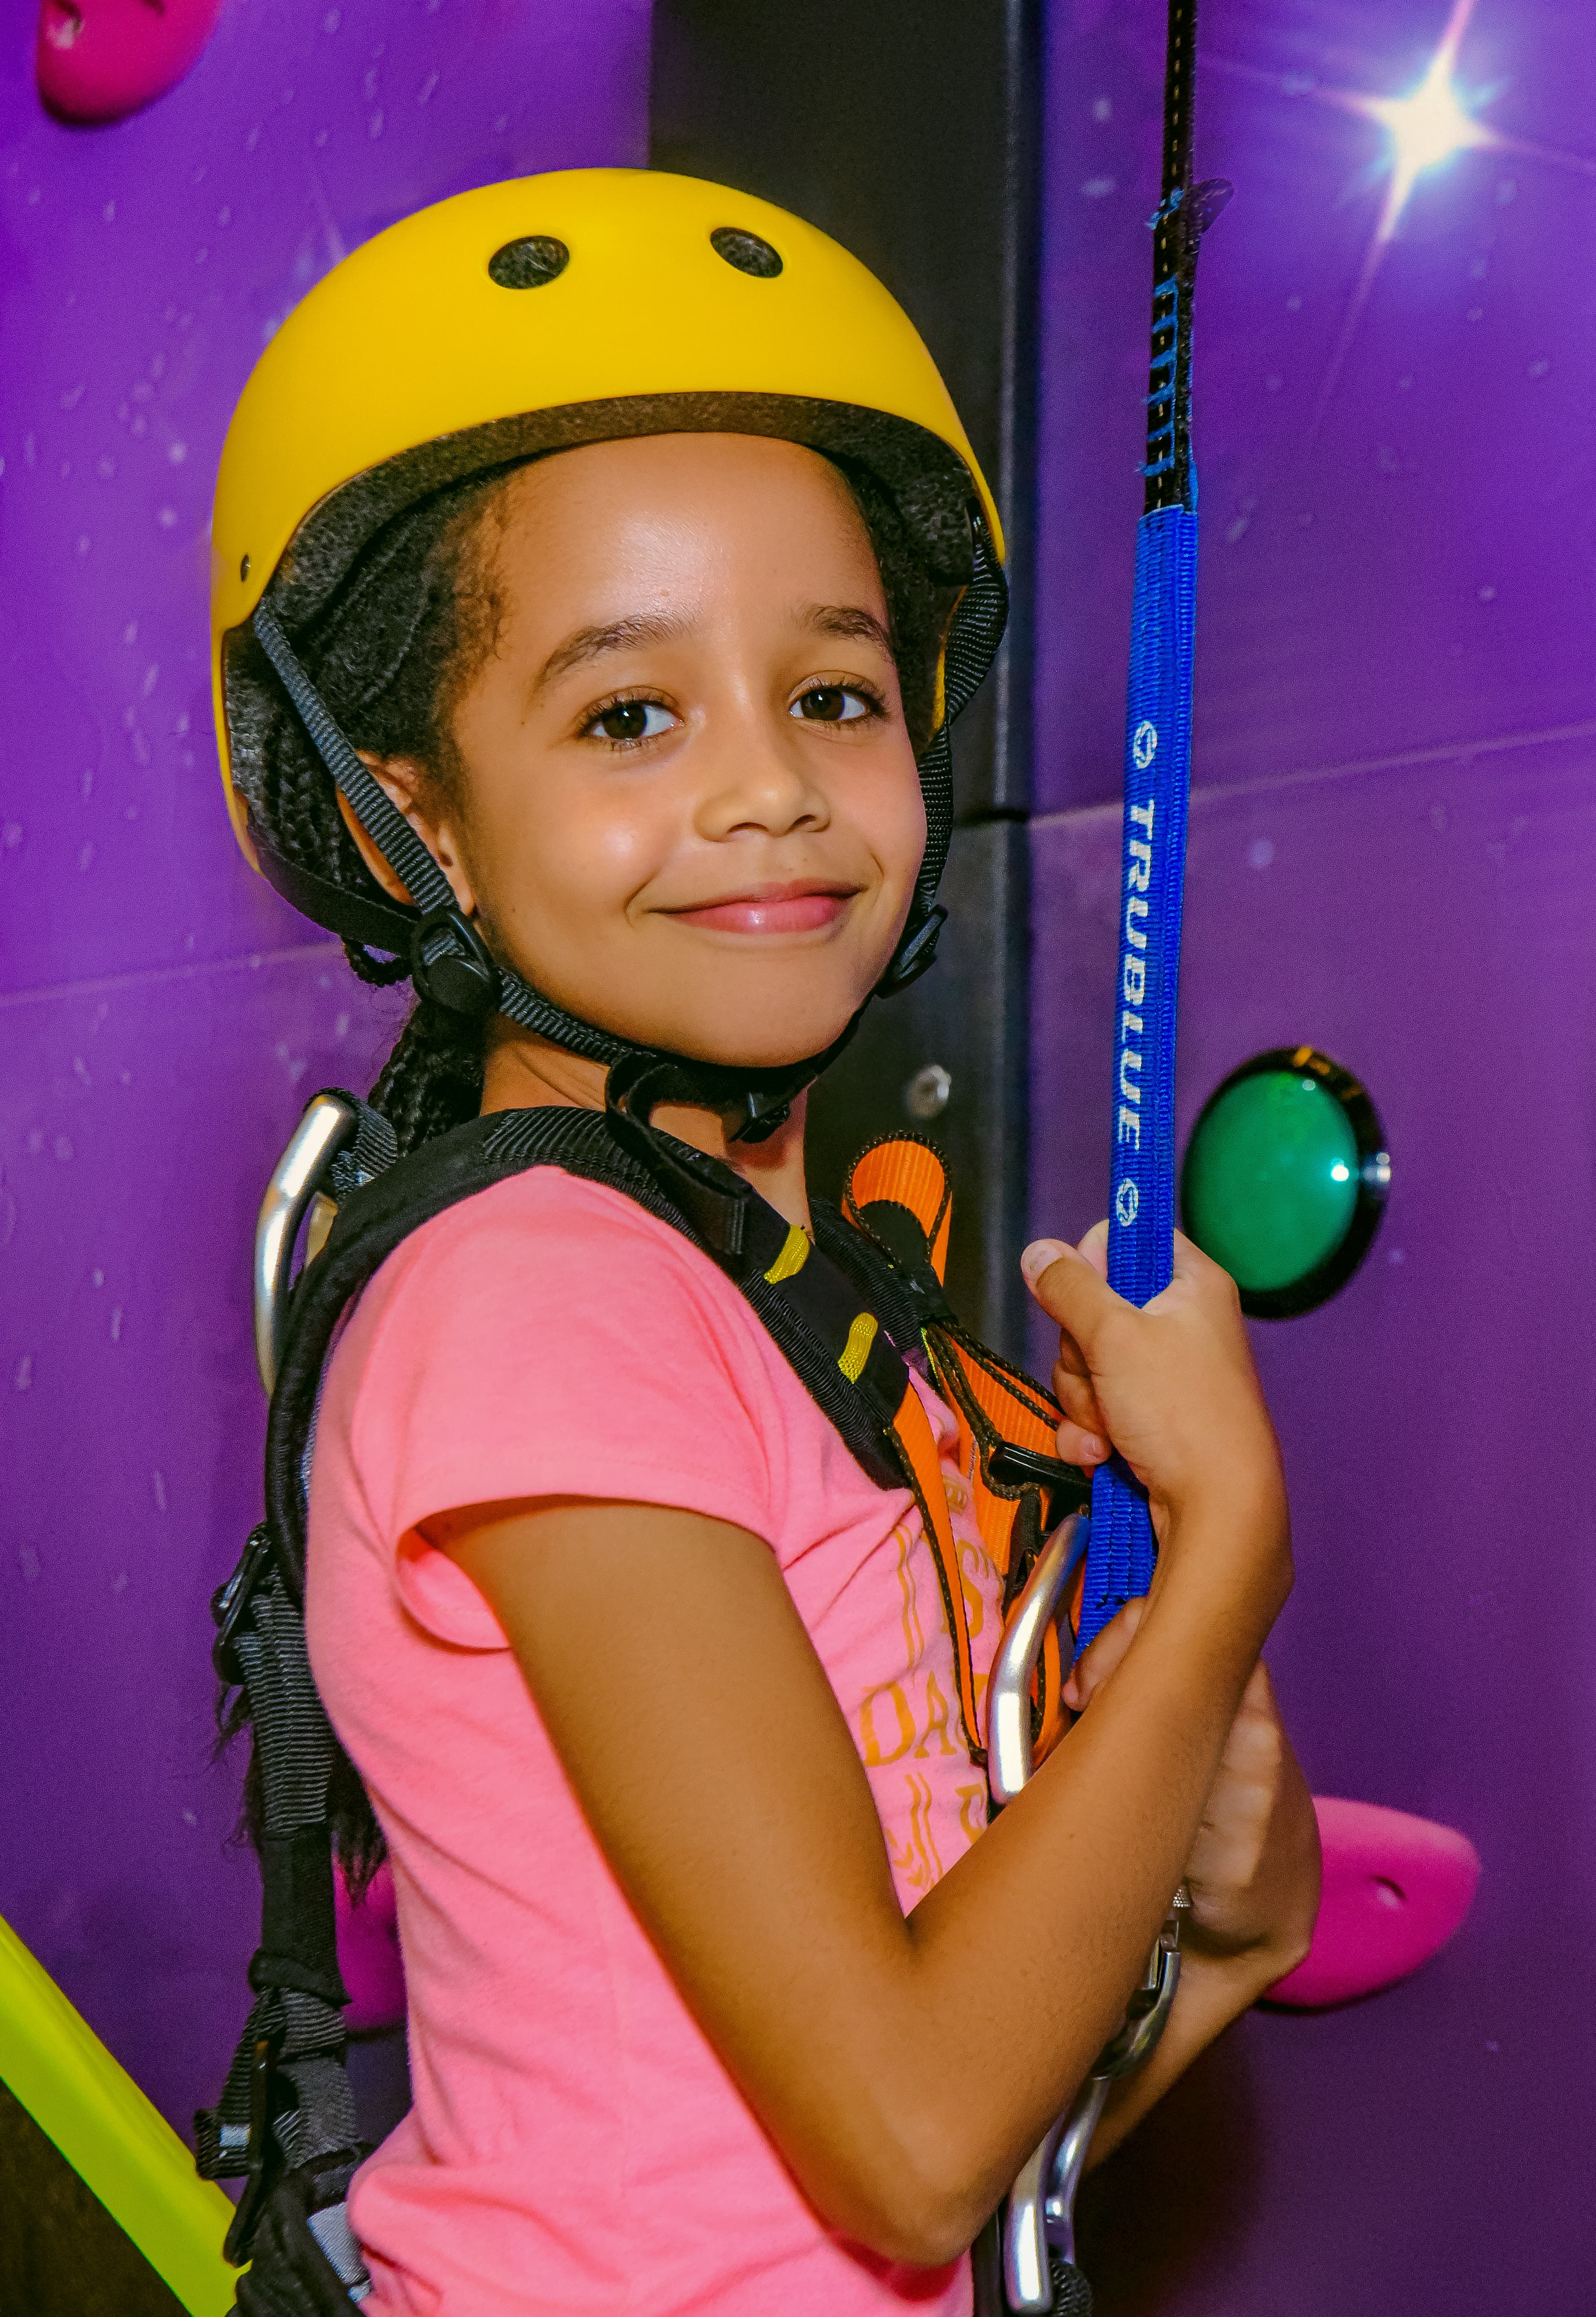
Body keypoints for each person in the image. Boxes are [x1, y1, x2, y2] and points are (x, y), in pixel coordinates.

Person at [209, 170, 1320, 2316]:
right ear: (411, 811)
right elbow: (904, 2136)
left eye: (834, 693)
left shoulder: (777, 1314)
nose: (774, 791)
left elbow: (965, 2171)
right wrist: (1231, 1553)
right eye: (631, 714)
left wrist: (1227, 1892)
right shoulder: (542, 1302)